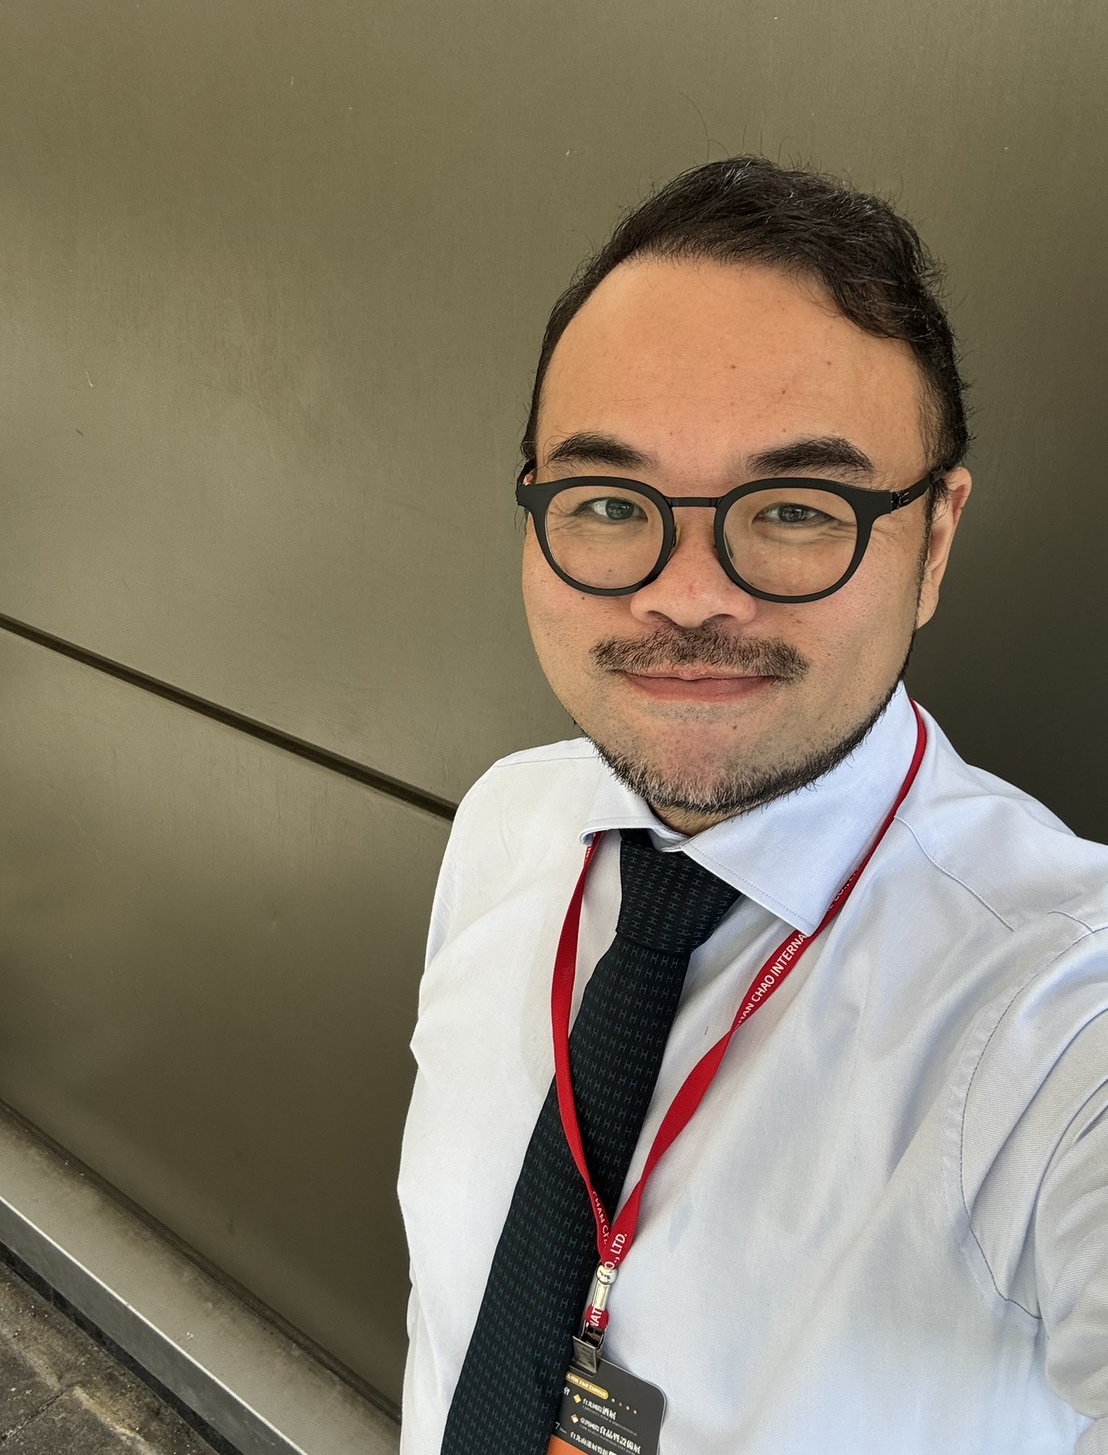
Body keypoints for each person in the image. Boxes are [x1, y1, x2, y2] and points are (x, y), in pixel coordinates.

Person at [397, 157, 1108, 1455]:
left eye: (793, 508)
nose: (686, 594)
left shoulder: (1057, 1011)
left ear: (935, 540)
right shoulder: (508, 824)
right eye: (608, 502)